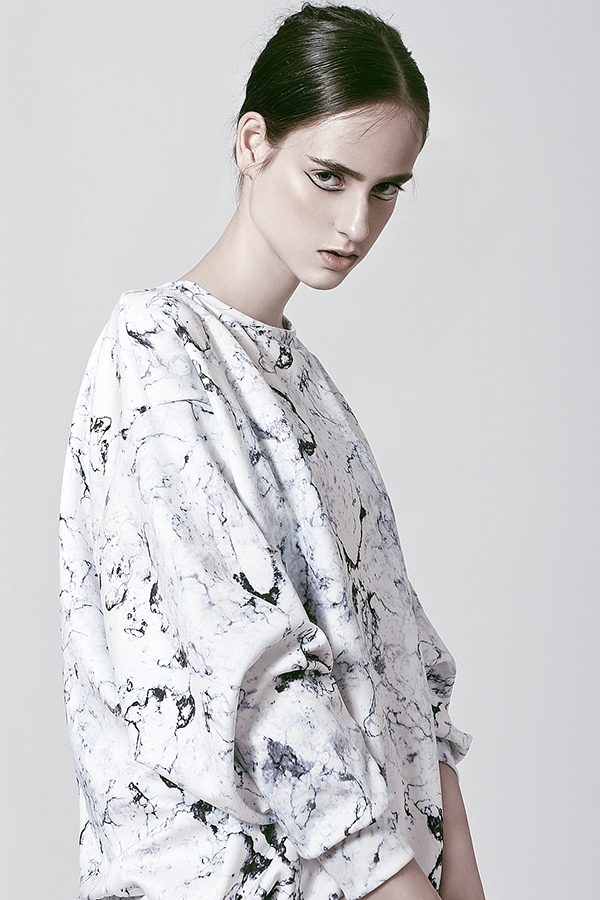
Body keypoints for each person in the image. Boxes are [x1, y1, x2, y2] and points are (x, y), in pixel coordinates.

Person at [59, 5, 486, 899]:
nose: (356, 223)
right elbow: (260, 689)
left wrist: (460, 874)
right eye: (328, 176)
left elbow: (404, 666)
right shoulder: (156, 353)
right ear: (253, 143)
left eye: (386, 189)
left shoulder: (303, 380)